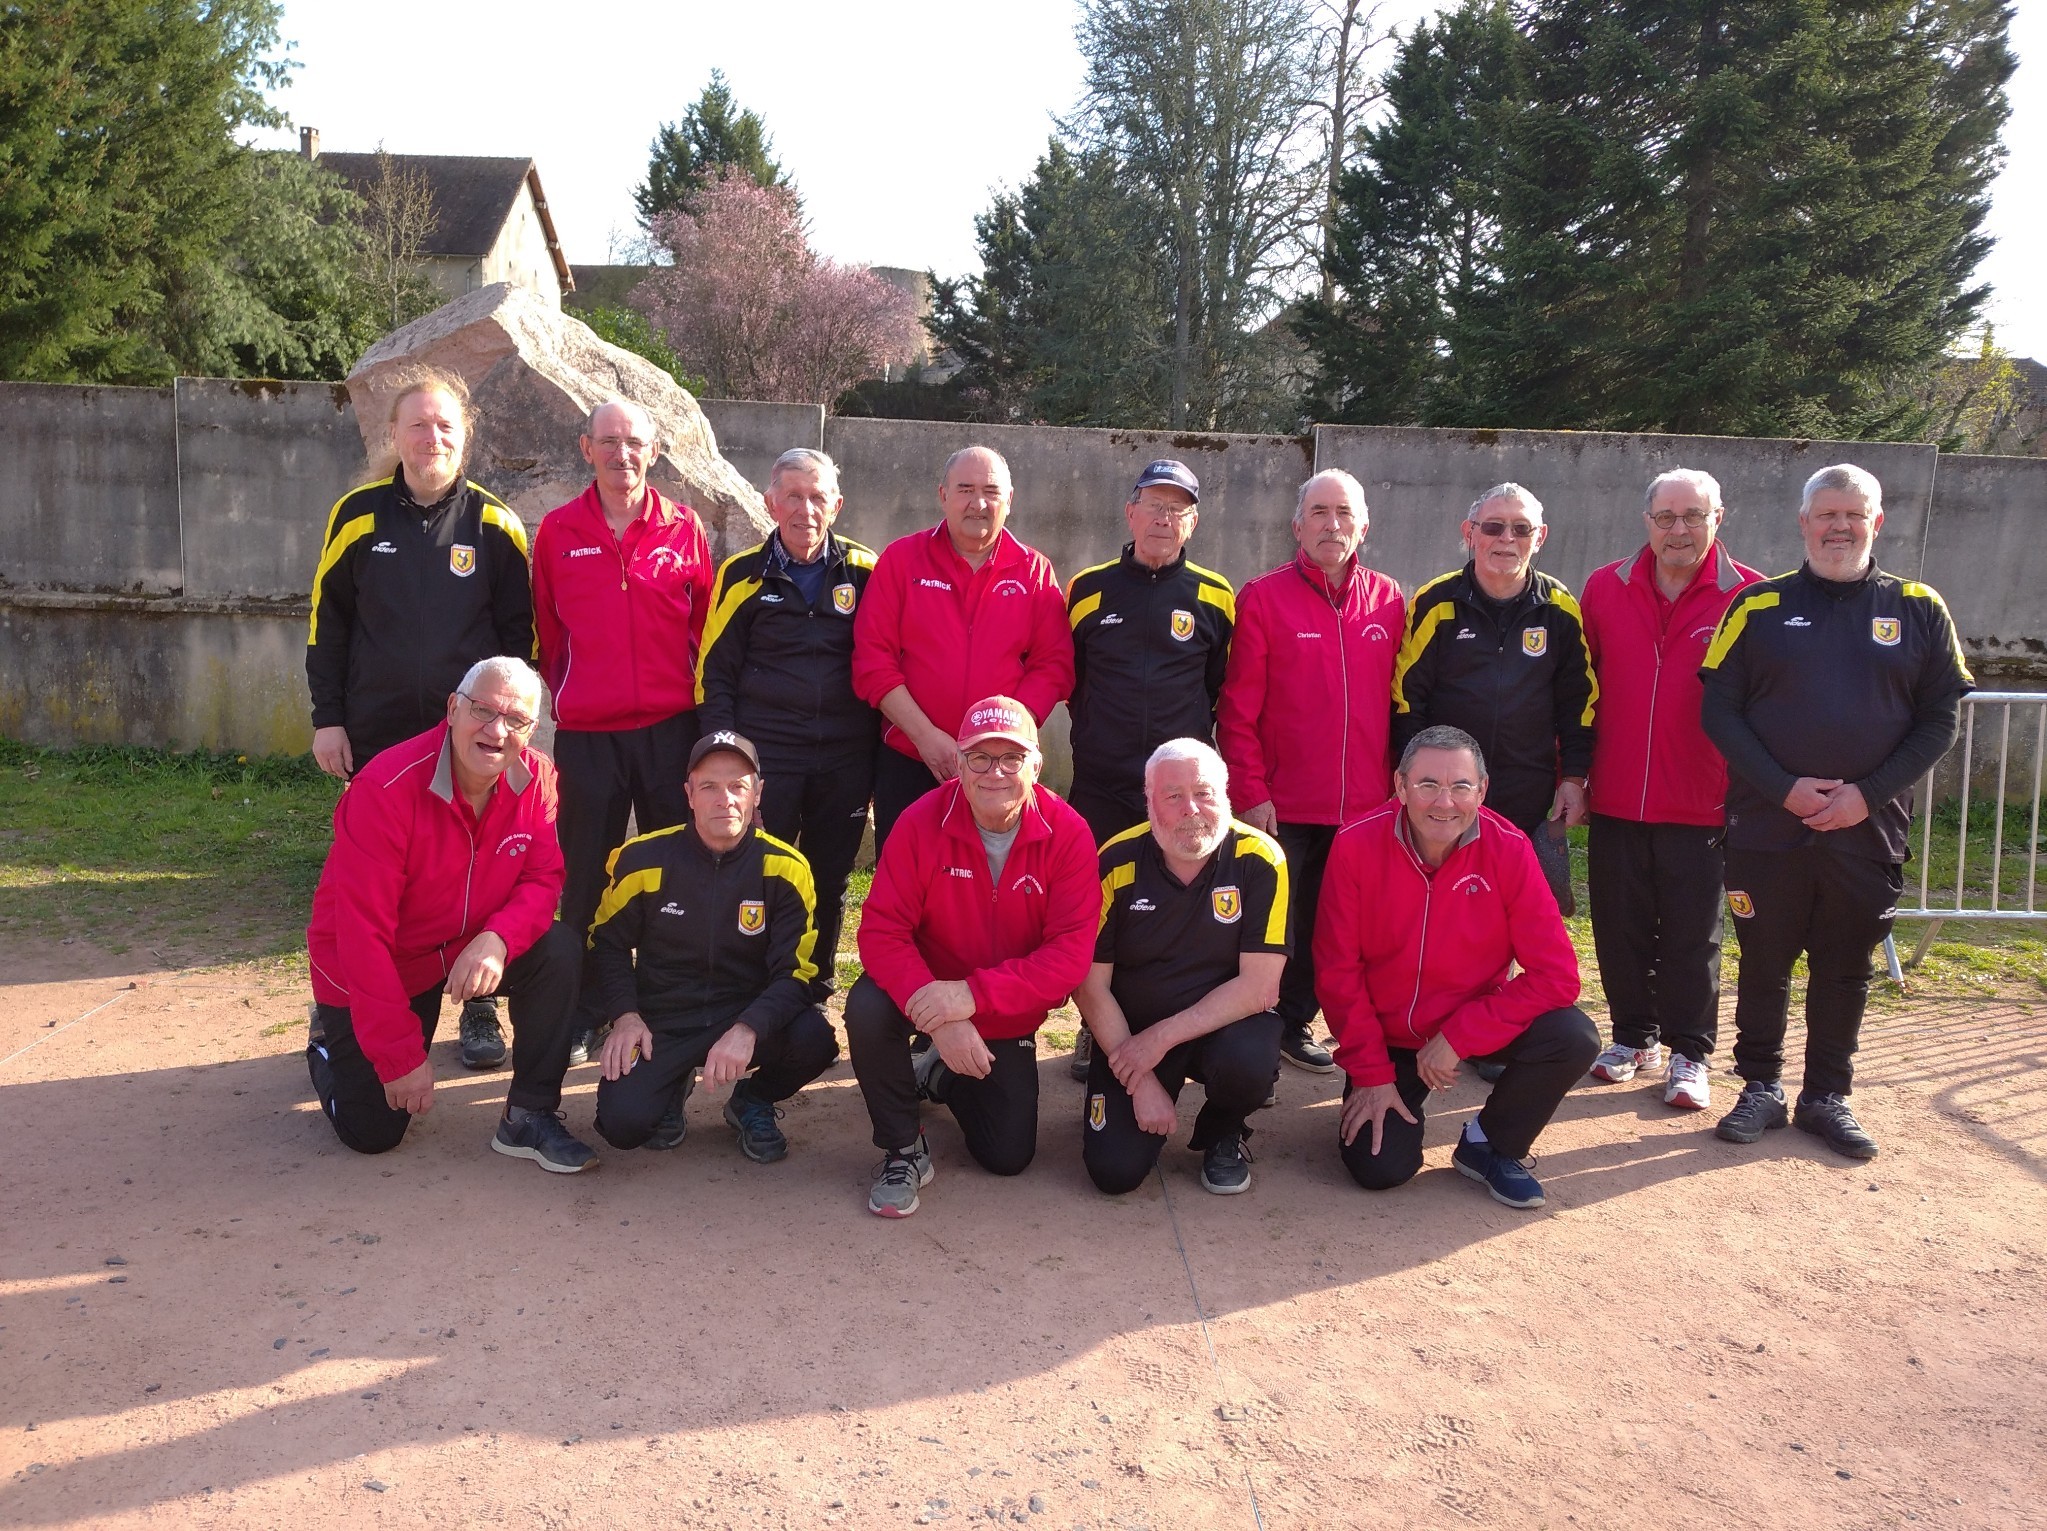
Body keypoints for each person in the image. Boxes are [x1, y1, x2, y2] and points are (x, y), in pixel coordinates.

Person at [1701, 464, 1970, 1160]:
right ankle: (1760, 1086)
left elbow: (1940, 721)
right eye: (1826, 514)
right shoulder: (1755, 605)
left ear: (1876, 522)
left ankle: (1826, 1094)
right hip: (1767, 825)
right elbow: (1719, 712)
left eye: (1854, 514)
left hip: (1867, 829)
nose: (1839, 526)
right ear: (1803, 522)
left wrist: (1865, 795)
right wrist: (1782, 788)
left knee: (1845, 965)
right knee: (1764, 960)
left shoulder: (1919, 606)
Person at [305, 366, 533, 1072]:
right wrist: (328, 718)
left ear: (464, 436)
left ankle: (478, 1005)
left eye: (444, 425)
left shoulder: (496, 524)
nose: (432, 437)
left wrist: (508, 730)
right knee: (370, 875)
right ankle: (343, 993)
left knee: (474, 867)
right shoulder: (356, 516)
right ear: (394, 435)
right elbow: (327, 626)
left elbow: (519, 644)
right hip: (377, 733)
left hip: (471, 740)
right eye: (418, 424)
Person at [303, 656, 595, 1173]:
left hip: (467, 944)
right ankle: (326, 1039)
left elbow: (543, 879)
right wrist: (398, 1056)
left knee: (560, 949)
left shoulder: (538, 779)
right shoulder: (385, 789)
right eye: (483, 710)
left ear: (532, 730)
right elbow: (362, 937)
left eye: (516, 720)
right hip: (380, 963)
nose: (497, 731)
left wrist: (498, 939)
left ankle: (529, 1115)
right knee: (373, 1131)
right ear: (453, 708)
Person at [1316, 725, 1600, 1209]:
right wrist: (1371, 1073)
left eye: (1461, 786)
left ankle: (1489, 1144)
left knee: (1573, 1036)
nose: (1444, 802)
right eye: (1427, 784)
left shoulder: (1509, 848)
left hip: (1468, 1025)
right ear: (1400, 785)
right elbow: (1336, 970)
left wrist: (1458, 1036)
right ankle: (1386, 1092)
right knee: (1380, 1168)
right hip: (1388, 1040)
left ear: (1482, 790)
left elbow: (1557, 976)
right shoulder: (1355, 844)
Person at [845, 696, 1097, 1218]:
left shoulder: (1069, 833)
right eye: (980, 757)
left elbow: (1068, 957)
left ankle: (938, 1075)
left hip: (1003, 1008)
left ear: (1036, 764)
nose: (995, 772)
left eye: (1011, 757)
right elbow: (881, 932)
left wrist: (971, 997)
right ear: (958, 764)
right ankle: (902, 1149)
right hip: (927, 988)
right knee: (867, 1006)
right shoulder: (920, 821)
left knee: (1007, 1155)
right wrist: (941, 1018)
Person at [532, 398, 716, 1063]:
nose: (622, 453)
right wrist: (576, 694)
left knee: (676, 869)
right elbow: (547, 631)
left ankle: (667, 1001)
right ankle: (586, 1008)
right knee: (585, 875)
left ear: (653, 451)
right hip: (589, 736)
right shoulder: (557, 531)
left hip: (671, 730)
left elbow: (703, 627)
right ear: (586, 449)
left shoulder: (684, 526)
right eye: (608, 441)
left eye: (634, 442)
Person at [1579, 469, 1763, 1111]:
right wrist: (1574, 774)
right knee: (1618, 926)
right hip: (1616, 795)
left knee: (1692, 936)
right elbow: (1582, 688)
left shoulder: (1750, 596)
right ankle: (1633, 1038)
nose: (1678, 530)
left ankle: (1691, 1052)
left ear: (1718, 518)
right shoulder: (1604, 587)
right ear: (1647, 521)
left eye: (1693, 516)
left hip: (1702, 801)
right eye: (1666, 517)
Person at [1216, 468, 1404, 1075]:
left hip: (1365, 808)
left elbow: (1402, 705)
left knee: (1338, 926)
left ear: (1364, 526)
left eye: (1344, 513)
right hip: (1284, 805)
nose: (1332, 524)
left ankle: (1295, 1023)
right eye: (1319, 512)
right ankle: (1253, 1027)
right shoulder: (1264, 597)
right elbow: (1237, 710)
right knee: (1276, 925)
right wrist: (1250, 791)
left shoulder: (1390, 600)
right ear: (1297, 526)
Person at [586, 730, 840, 1164]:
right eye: (709, 786)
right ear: (689, 794)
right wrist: (625, 1016)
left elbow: (796, 974)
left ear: (757, 793)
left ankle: (752, 1100)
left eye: (738, 786)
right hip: (662, 1020)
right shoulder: (641, 859)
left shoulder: (787, 868)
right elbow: (606, 944)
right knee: (623, 1125)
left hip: (743, 1012)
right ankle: (671, 1085)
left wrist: (748, 1028)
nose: (725, 800)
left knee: (815, 1039)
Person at [1064, 458, 1236, 1080]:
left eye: (1178, 509)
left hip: (1179, 795)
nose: (1164, 518)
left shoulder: (1216, 596)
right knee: (1097, 909)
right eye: (1154, 506)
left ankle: (1180, 1029)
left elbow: (1219, 687)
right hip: (1102, 784)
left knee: (1171, 907)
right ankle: (1094, 1027)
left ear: (1193, 523)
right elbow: (1071, 681)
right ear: (1130, 512)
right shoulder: (1086, 589)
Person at [696, 448, 878, 999]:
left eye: (818, 497)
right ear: (770, 502)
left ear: (837, 505)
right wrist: (729, 762)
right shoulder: (741, 575)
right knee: (755, 873)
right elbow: (713, 675)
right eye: (793, 496)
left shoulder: (868, 571)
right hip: (767, 758)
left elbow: (891, 663)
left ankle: (814, 991)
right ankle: (748, 991)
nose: (806, 509)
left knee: (829, 876)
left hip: (845, 759)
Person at [1077, 740, 1287, 1197]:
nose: (1191, 809)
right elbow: (1090, 986)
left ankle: (1224, 1130)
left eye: (1204, 792)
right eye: (1173, 795)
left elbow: (1260, 986)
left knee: (1251, 1059)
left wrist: (1159, 1040)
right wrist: (1139, 1079)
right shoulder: (1114, 859)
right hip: (1131, 1032)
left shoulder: (1262, 858)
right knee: (1114, 1173)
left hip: (1219, 1029)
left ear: (1225, 794)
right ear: (1149, 800)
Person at [851, 446, 1074, 855]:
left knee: (993, 881)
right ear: (943, 495)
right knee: (906, 877)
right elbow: (872, 660)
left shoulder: (1034, 571)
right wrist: (926, 738)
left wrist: (1004, 738)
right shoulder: (902, 560)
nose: (978, 503)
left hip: (999, 771)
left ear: (1010, 499)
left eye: (991, 491)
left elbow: (1053, 665)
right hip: (912, 758)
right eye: (966, 489)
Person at [1390, 483, 1596, 913]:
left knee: (1516, 912)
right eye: (1493, 527)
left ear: (1540, 537)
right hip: (1446, 793)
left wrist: (1574, 779)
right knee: (1445, 907)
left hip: (1528, 791)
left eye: (1521, 528)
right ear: (1470, 532)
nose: (1507, 539)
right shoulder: (1435, 602)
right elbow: (1407, 700)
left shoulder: (1560, 607)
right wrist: (1413, 779)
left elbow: (1578, 702)